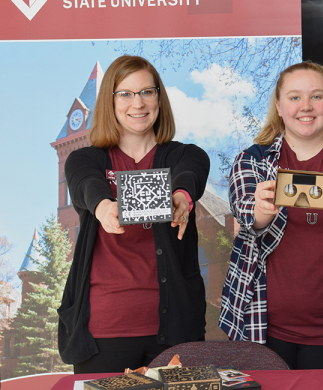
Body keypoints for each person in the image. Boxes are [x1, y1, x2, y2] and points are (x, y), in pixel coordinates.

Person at [218, 61, 323, 369]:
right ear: (279, 106)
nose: (306, 106)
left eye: (316, 96)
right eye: (294, 97)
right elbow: (245, 212)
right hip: (258, 323)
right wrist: (261, 211)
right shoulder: (252, 160)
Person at [58, 55, 210, 373]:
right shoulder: (85, 158)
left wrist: (181, 198)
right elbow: (85, 184)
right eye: (125, 93)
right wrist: (103, 207)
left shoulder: (184, 154)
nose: (137, 103)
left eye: (146, 92)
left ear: (158, 98)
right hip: (102, 332)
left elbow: (191, 173)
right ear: (110, 103)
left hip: (173, 331)